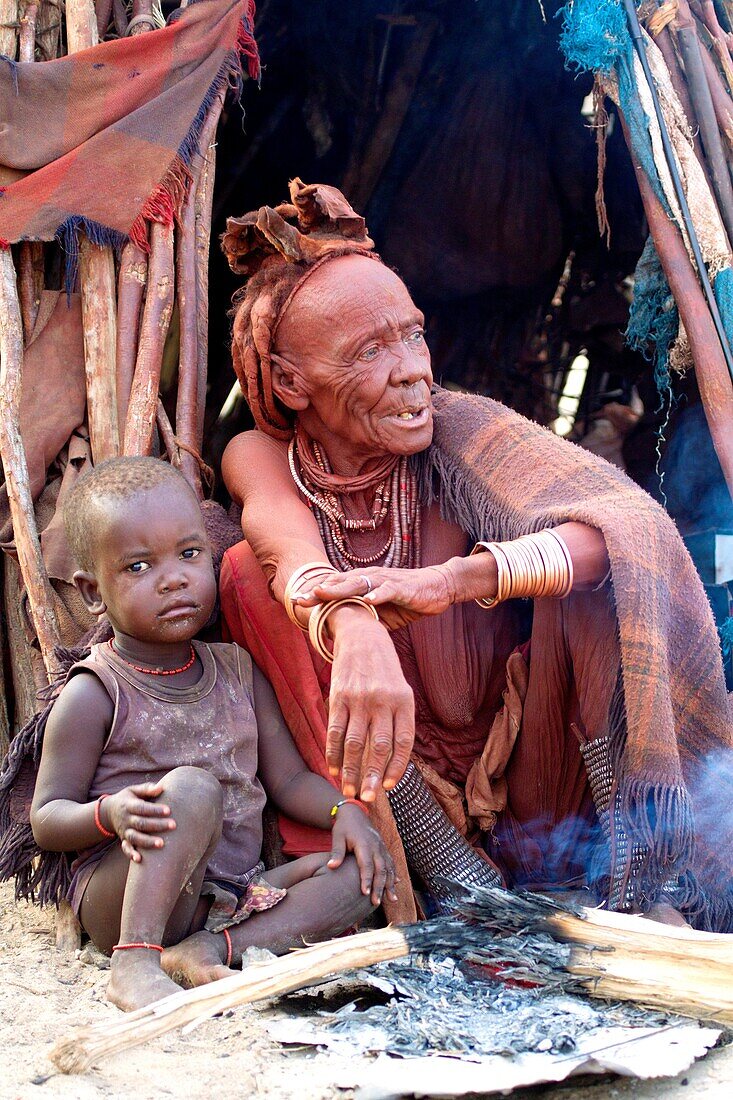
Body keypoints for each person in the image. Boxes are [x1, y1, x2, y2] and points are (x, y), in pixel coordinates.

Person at [218, 179, 733, 932]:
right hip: (390, 810)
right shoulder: (261, 454)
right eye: (369, 350)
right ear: (292, 383)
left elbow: (628, 526)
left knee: (601, 576)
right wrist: (353, 624)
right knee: (244, 577)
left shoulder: (457, 432)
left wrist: (454, 579)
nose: (411, 370)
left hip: (537, 793)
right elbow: (278, 537)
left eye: (413, 334)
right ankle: (436, 885)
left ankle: (634, 876)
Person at [30, 456, 395, 1012]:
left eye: (189, 554)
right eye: (137, 567)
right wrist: (110, 813)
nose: (174, 578)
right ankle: (134, 961)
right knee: (194, 791)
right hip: (127, 894)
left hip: (232, 894)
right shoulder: (95, 690)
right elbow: (47, 818)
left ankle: (208, 949)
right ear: (92, 592)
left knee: (356, 875)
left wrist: (343, 813)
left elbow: (290, 779)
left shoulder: (237, 671)